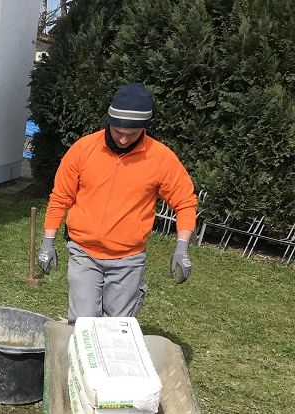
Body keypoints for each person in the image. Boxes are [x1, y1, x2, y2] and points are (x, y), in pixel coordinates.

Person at [38, 83, 197, 324]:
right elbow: (60, 196)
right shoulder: (83, 149)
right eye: (118, 131)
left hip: (128, 259)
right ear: (109, 122)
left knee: (116, 328)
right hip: (83, 253)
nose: (123, 139)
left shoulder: (160, 157)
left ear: (143, 128)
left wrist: (182, 248)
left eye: (131, 134)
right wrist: (48, 243)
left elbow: (185, 202)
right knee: (83, 323)